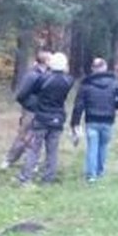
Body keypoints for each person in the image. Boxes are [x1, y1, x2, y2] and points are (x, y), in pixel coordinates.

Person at [15, 52, 74, 185]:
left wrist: (33, 106)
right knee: (52, 151)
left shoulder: (42, 79)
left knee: (34, 149)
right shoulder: (69, 81)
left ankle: (26, 178)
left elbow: (26, 94)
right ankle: (48, 179)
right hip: (58, 118)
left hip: (41, 118)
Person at [70, 58, 118, 183]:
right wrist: (114, 106)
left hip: (92, 119)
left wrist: (75, 123)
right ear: (105, 67)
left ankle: (91, 175)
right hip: (108, 120)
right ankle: (100, 171)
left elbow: (78, 106)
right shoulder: (114, 83)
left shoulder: (86, 85)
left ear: (93, 68)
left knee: (92, 147)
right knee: (103, 146)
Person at [1, 50, 51, 169]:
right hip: (31, 111)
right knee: (23, 136)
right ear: (45, 61)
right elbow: (21, 94)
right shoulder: (32, 75)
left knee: (37, 137)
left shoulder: (47, 75)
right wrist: (30, 105)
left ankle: (33, 162)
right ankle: (9, 159)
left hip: (42, 110)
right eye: (50, 59)